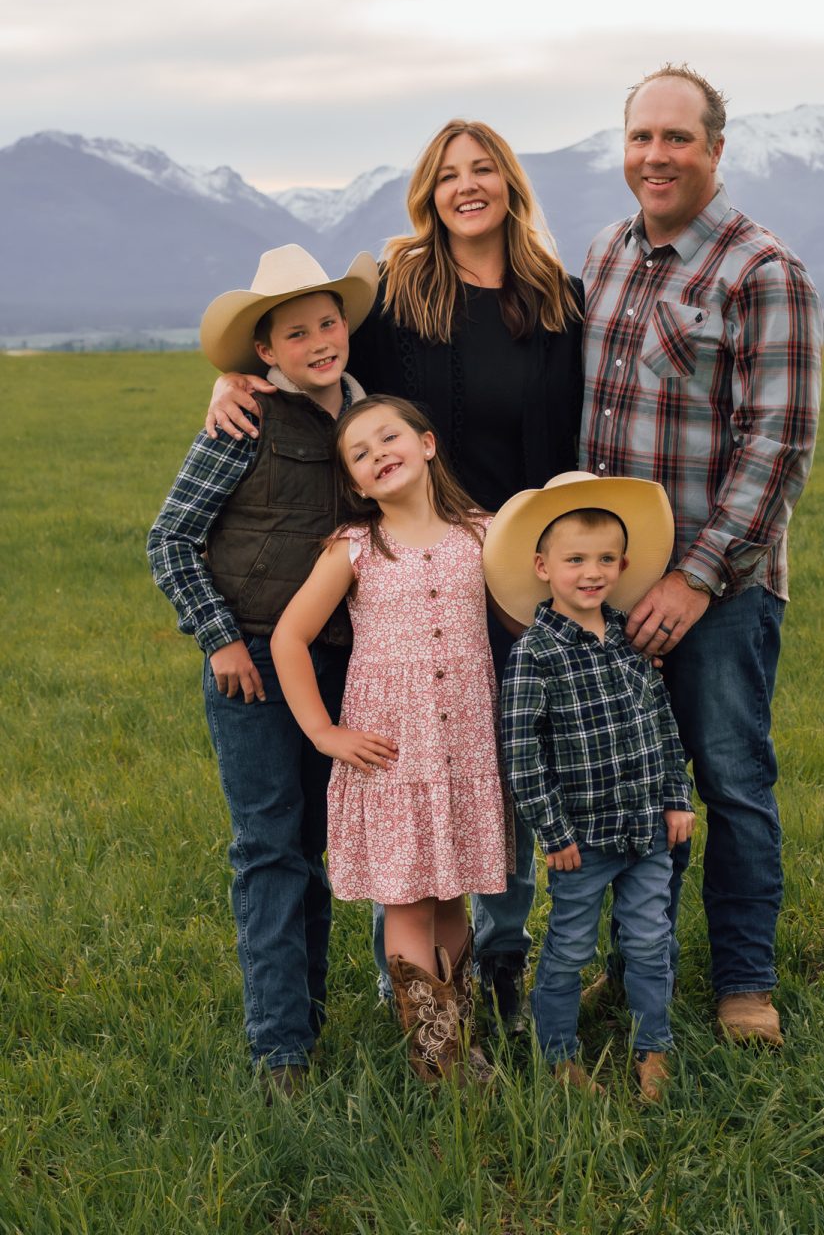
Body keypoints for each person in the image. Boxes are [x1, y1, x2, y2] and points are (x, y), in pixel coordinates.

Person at [207, 119, 584, 1023]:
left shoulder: (556, 296)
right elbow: (313, 357)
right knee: (417, 790)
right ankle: (414, 1005)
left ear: (509, 182)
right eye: (448, 173)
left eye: (483, 167)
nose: (467, 185)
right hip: (404, 557)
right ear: (429, 192)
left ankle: (498, 977)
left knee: (499, 777)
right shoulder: (402, 289)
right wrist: (228, 384)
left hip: (504, 557)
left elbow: (569, 426)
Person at [581, 64, 823, 1048]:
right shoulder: (602, 254)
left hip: (718, 593)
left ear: (714, 150)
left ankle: (743, 987)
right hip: (611, 586)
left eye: (677, 138)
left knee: (728, 783)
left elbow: (778, 443)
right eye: (642, 137)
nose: (656, 156)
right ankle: (638, 966)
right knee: (633, 786)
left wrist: (696, 575)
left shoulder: (761, 270)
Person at [147, 243, 378, 1098]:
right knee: (269, 848)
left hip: (340, 666)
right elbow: (169, 538)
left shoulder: (366, 415)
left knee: (314, 849)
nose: (319, 340)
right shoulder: (242, 422)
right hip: (249, 665)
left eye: (329, 323)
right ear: (265, 355)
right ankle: (281, 1051)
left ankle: (305, 1018)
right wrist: (218, 638)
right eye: (296, 333)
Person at [270, 395, 509, 1084]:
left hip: (464, 746)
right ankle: (435, 1058)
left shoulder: (486, 534)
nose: (379, 454)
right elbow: (290, 636)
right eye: (361, 453)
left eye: (389, 438)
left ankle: (461, 1036)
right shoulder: (355, 549)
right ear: (354, 482)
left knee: (453, 896)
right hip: (393, 752)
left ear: (428, 444)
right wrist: (323, 731)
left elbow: (535, 609)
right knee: (407, 898)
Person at [483, 471, 694, 1102]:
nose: (591, 572)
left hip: (646, 828)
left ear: (623, 564)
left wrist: (676, 797)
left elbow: (661, 723)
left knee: (651, 939)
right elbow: (522, 755)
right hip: (582, 839)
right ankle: (559, 1055)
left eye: (605, 559)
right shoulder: (534, 655)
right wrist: (553, 832)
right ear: (544, 566)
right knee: (569, 946)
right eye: (576, 559)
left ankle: (654, 1047)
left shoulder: (631, 642)